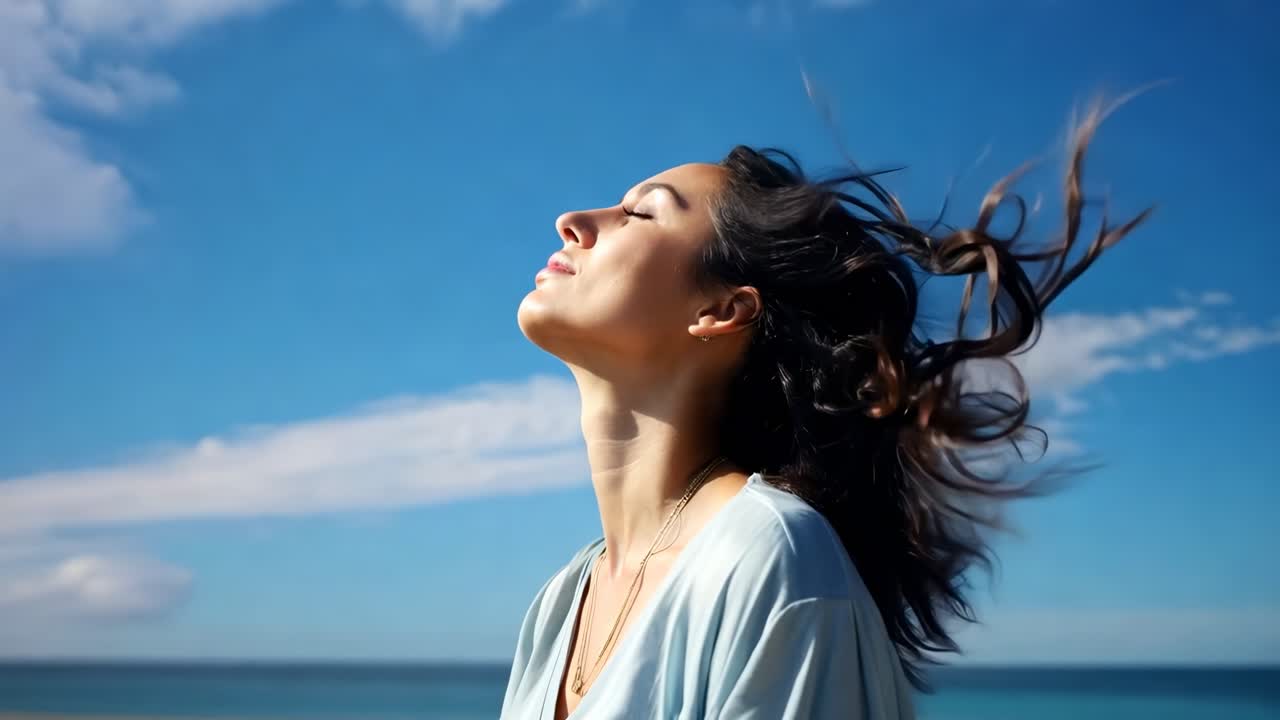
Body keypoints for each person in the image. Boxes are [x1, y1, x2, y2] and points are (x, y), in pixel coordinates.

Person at [500, 101, 1149, 719]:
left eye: (641, 215)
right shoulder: (563, 601)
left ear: (721, 310)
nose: (573, 220)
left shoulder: (771, 560)